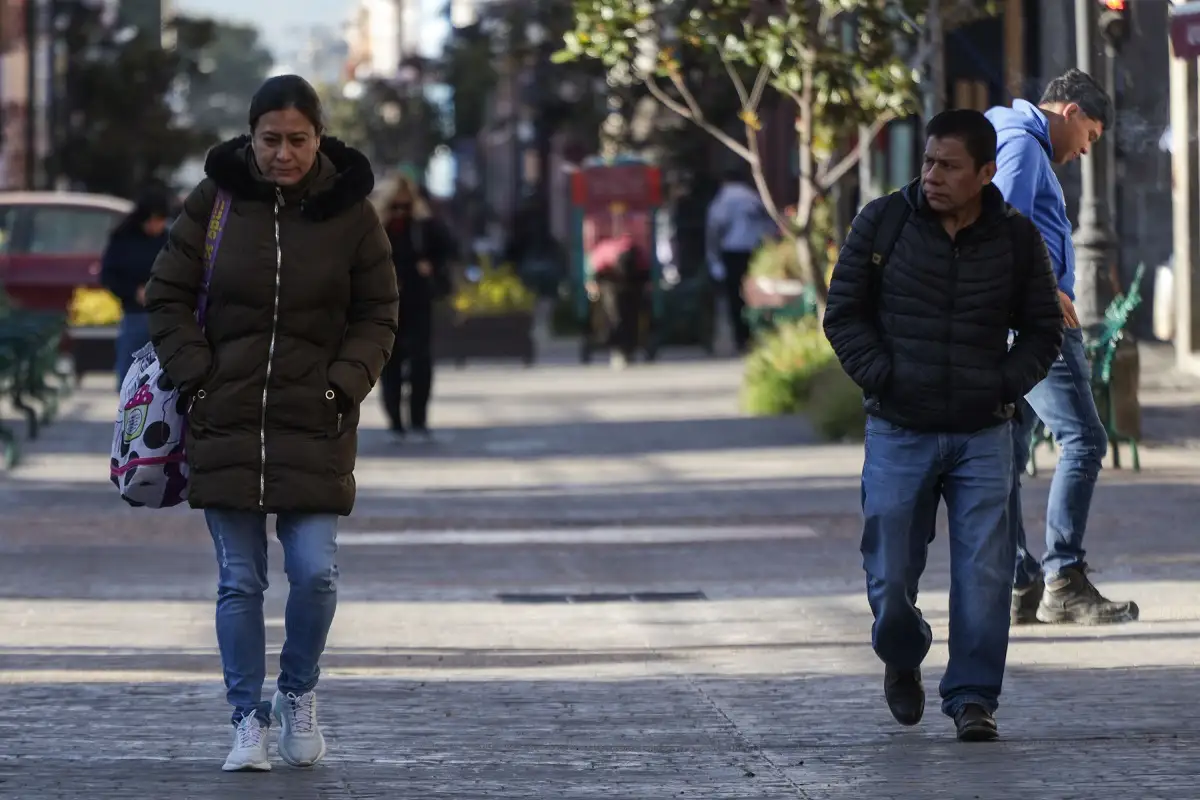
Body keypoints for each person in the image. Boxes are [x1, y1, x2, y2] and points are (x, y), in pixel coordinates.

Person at [145, 74, 398, 772]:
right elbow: (164, 291)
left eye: (298, 140)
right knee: (241, 580)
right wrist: (197, 373)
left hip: (313, 422)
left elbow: (379, 310)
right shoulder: (217, 202)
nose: (283, 154)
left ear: (320, 139)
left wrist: (342, 385)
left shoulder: (351, 215)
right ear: (250, 136)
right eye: (270, 139)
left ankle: (297, 692)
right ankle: (244, 719)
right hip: (225, 419)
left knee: (316, 574)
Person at [823, 109, 1063, 742]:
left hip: (984, 431)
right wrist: (884, 376)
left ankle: (974, 697)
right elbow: (843, 314)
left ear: (986, 173)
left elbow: (1043, 328)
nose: (932, 175)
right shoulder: (885, 221)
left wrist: (1003, 384)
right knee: (891, 569)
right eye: (928, 162)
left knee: (985, 570)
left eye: (949, 166)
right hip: (900, 425)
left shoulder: (1014, 238)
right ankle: (902, 652)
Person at [986, 69, 1139, 626]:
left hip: (1007, 323)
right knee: (1084, 439)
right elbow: (1003, 223)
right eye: (1091, 137)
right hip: (1035, 322)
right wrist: (1047, 289)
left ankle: (1019, 580)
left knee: (1006, 453)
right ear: (1070, 113)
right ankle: (1063, 578)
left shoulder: (1002, 134)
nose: (1085, 151)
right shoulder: (1024, 147)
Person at [378, 174, 453, 443]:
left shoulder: (424, 226)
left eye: (405, 207)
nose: (400, 212)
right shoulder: (375, 228)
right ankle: (396, 421)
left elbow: (448, 249)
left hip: (418, 300)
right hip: (385, 304)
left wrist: (431, 265)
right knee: (390, 363)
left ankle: (418, 419)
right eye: (395, 207)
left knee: (421, 360)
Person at [100, 186, 172, 388]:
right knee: (130, 376)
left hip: (166, 315)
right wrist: (133, 291)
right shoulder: (123, 239)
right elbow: (108, 275)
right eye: (154, 220)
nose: (157, 225)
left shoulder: (168, 240)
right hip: (135, 314)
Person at [704, 168, 776, 353]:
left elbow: (715, 227)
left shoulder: (724, 199)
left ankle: (741, 337)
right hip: (756, 249)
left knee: (734, 297)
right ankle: (759, 334)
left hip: (732, 250)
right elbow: (769, 223)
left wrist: (714, 258)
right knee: (758, 293)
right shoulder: (752, 196)